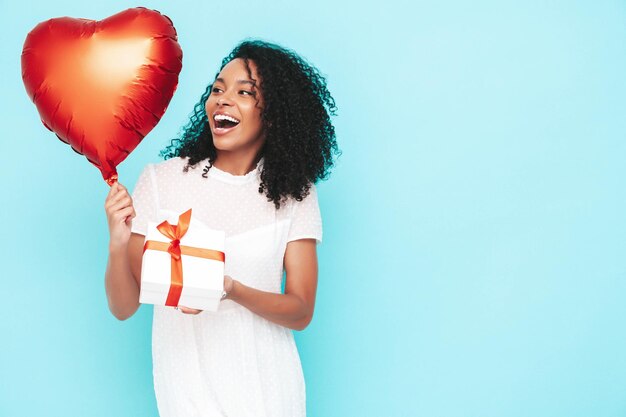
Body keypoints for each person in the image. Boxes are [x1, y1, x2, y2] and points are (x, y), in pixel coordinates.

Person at [103, 39, 340, 417]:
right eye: (217, 89)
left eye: (244, 92)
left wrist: (230, 289)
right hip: (186, 393)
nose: (223, 100)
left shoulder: (295, 194)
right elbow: (124, 306)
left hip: (270, 392)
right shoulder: (162, 182)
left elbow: (300, 310)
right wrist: (117, 244)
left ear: (274, 114)